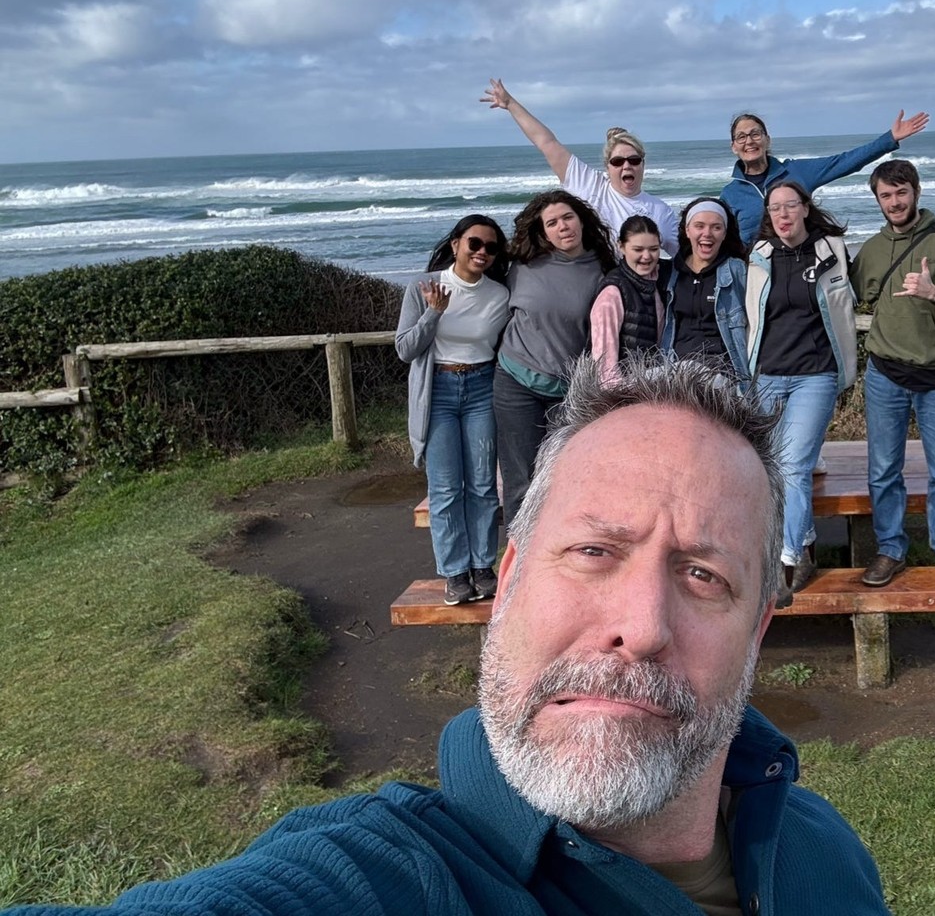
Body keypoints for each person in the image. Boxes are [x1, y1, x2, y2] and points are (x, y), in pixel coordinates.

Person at [7, 357, 890, 915]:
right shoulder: (393, 878)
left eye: (702, 575)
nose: (640, 627)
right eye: (592, 551)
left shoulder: (823, 853)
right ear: (508, 582)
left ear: (758, 628)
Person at [850, 159, 935, 590]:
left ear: (916, 192)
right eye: (885, 195)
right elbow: (847, 293)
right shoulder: (872, 249)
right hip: (885, 374)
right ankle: (890, 549)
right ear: (877, 200)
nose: (894, 202)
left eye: (901, 192)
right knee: (883, 471)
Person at [744, 180, 857, 606]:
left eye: (790, 206)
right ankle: (806, 540)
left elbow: (859, 294)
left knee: (793, 466)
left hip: (816, 374)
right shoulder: (759, 256)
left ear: (806, 208)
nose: (783, 215)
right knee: (773, 467)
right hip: (769, 375)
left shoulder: (832, 251)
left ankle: (785, 563)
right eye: (775, 209)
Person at [395, 215, 511, 606]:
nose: (482, 252)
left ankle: (482, 566)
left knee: (482, 485)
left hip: (481, 388)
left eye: (491, 247)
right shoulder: (424, 287)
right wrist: (434, 312)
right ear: (456, 244)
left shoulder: (500, 294)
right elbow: (406, 349)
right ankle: (455, 573)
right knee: (445, 488)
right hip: (439, 390)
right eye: (475, 243)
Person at [496, 190, 615, 520]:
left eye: (567, 217)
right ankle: (519, 551)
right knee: (521, 482)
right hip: (515, 383)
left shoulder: (604, 269)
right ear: (543, 231)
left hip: (568, 391)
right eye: (552, 223)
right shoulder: (522, 265)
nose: (562, 227)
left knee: (563, 478)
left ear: (581, 220)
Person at [482, 78, 680, 256]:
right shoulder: (590, 184)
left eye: (634, 160)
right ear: (607, 167)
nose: (626, 166)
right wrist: (510, 104)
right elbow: (547, 143)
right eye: (618, 161)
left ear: (643, 164)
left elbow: (683, 257)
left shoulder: (660, 211)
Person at [721, 108, 930, 247]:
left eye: (755, 134)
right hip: (758, 276)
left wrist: (889, 139)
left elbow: (844, 162)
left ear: (767, 140)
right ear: (733, 147)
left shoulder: (796, 172)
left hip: (803, 267)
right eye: (741, 137)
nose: (749, 141)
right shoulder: (730, 195)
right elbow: (725, 241)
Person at [660, 197, 749, 377]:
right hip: (675, 369)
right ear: (687, 230)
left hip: (722, 372)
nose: (707, 233)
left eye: (716, 227)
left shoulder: (737, 270)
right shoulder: (669, 272)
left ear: (724, 233)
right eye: (699, 226)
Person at [590, 214, 666, 383]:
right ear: (621, 247)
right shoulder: (612, 293)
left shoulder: (659, 280)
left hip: (651, 383)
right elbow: (605, 367)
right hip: (625, 387)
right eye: (638, 250)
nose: (647, 256)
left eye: (654, 249)